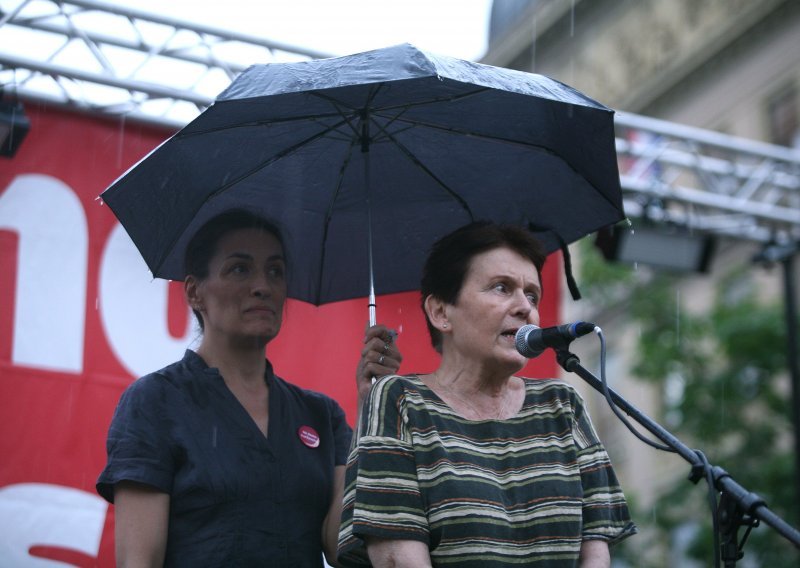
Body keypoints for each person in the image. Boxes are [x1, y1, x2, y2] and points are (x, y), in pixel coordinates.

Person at [96, 209, 402, 567]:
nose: (263, 286)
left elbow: (339, 549)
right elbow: (139, 562)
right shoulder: (155, 402)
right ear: (195, 292)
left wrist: (371, 411)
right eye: (239, 268)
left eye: (276, 271)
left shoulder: (321, 414)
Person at [338, 221, 636, 567]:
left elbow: (597, 553)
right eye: (501, 288)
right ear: (440, 312)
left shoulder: (562, 405)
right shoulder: (401, 400)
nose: (525, 307)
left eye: (532, 295)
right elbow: (396, 558)